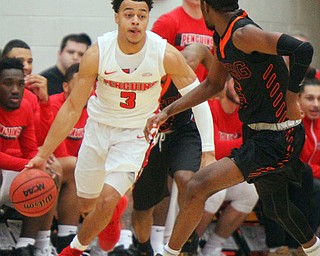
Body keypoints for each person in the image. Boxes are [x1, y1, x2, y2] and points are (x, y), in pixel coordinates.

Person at [25, 1, 214, 256]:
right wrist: (42, 154)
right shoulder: (98, 52)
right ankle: (112, 214)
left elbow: (199, 99)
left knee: (106, 199)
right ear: (117, 18)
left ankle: (73, 250)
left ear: (148, 19)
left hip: (135, 135)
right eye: (129, 14)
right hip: (98, 129)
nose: (135, 20)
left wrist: (208, 151)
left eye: (141, 15)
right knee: (86, 204)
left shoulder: (164, 53)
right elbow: (71, 107)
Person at [143, 0, 320, 255]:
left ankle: (172, 252)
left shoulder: (243, 33)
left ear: (205, 6)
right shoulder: (223, 37)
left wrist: (292, 97)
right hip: (259, 132)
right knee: (276, 208)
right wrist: (168, 111)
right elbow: (212, 85)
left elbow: (303, 49)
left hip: (278, 136)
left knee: (197, 185)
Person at [131, 42, 214, 256]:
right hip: (146, 138)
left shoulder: (182, 63)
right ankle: (143, 248)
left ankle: (188, 241)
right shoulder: (130, 79)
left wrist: (217, 84)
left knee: (187, 179)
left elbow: (202, 50)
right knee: (143, 207)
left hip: (181, 131)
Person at [1, 39, 80, 254]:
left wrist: (44, 102)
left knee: (56, 170)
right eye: (20, 61)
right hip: (7, 167)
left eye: (30, 61)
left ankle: (38, 244)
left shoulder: (27, 101)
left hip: (16, 168)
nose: (26, 66)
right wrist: (30, 162)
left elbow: (38, 143)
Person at [50, 63, 129, 254]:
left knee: (122, 176)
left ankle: (121, 240)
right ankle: (64, 239)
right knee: (72, 168)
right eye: (79, 85)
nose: (85, 90)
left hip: (82, 169)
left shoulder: (97, 109)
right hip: (57, 166)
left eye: (89, 85)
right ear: (65, 87)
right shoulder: (55, 105)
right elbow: (57, 151)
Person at [0, 57, 62, 256]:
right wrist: (30, 163)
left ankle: (27, 244)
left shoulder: (25, 107)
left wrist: (38, 164)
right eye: (7, 83)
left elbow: (30, 150)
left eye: (20, 84)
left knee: (48, 176)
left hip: (9, 173)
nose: (16, 90)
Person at [196, 76, 259, 256]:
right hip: (199, 171)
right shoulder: (208, 107)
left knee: (250, 191)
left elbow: (251, 150)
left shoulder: (246, 114)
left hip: (224, 171)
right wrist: (244, 143)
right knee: (216, 193)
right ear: (225, 83)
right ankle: (191, 244)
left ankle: (213, 247)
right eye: (237, 83)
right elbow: (212, 147)